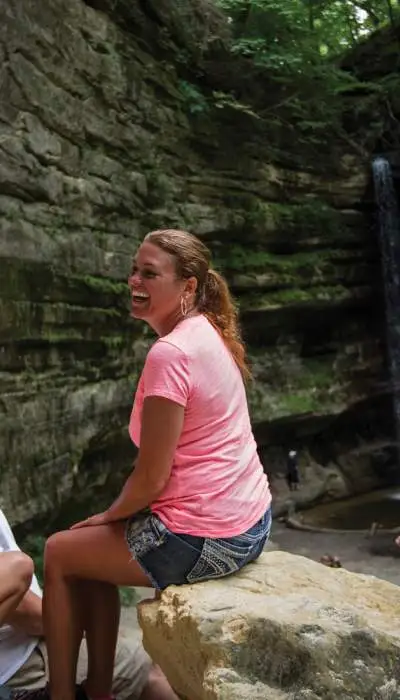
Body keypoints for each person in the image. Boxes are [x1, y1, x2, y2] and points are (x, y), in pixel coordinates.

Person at [40, 228, 272, 700]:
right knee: (87, 553)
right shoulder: (208, 329)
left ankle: (64, 694)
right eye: (133, 270)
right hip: (252, 523)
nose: (134, 281)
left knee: (59, 553)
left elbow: (151, 477)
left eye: (150, 273)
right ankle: (98, 691)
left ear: (188, 287)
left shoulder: (170, 354)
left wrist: (107, 516)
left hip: (208, 538)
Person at [0, 508, 177, 700]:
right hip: (24, 663)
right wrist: (75, 628)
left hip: (27, 644)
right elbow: (30, 615)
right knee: (144, 664)